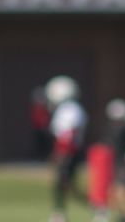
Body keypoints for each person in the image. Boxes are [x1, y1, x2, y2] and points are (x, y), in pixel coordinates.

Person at [44, 75, 86, 222]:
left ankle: (99, 206)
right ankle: (59, 213)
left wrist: (61, 153)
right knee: (61, 184)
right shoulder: (66, 109)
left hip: (69, 152)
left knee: (66, 185)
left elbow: (69, 134)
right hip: (67, 151)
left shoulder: (70, 109)